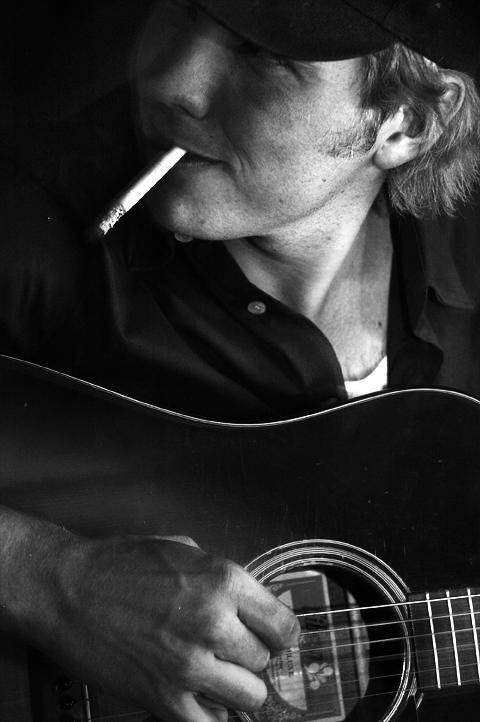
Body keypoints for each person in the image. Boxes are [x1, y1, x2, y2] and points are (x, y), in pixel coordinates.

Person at [1, 1, 480, 721]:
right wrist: (50, 580)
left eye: (262, 57)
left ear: (405, 125)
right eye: (179, 8)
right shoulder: (31, 218)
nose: (172, 83)